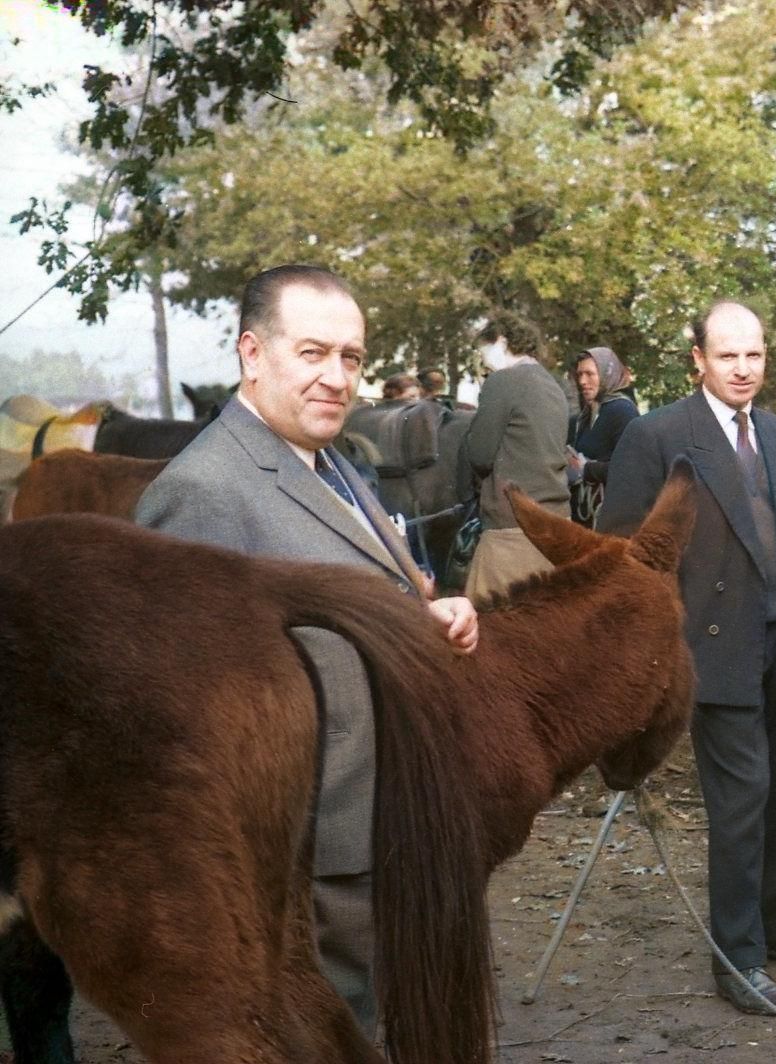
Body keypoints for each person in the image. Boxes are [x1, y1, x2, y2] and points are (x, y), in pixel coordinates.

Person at [133, 264, 480, 1033]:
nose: (337, 377)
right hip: (301, 861)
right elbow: (179, 728)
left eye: (351, 358)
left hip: (376, 825)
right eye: (313, 353)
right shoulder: (204, 491)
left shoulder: (338, 470)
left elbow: (344, 609)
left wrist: (426, 616)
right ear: (252, 355)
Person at [596, 300, 776, 1016]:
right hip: (711, 649)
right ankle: (736, 961)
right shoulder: (656, 437)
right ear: (698, 361)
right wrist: (650, 657)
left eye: (754, 355)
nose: (743, 369)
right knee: (742, 805)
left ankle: (772, 924)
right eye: (728, 356)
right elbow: (624, 556)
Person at [461, 319, 571, 603]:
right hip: (556, 526)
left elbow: (480, 456)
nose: (484, 361)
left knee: (493, 631)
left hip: (511, 529)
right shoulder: (553, 385)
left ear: (500, 341)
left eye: (483, 351)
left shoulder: (503, 381)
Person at [567, 346, 639, 527]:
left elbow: (631, 468)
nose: (582, 381)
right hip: (586, 517)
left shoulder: (622, 411)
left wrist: (586, 469)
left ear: (607, 374)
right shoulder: (586, 414)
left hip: (612, 519)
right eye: (580, 374)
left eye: (590, 374)